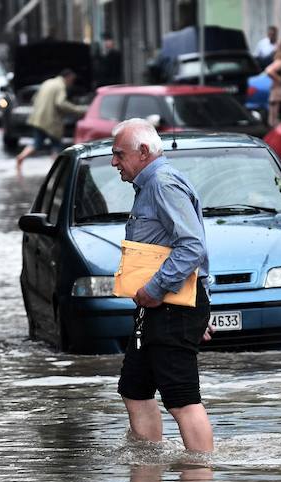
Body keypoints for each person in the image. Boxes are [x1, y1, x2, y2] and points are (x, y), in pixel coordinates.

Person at [111, 118, 214, 453]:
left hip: (167, 306)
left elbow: (192, 246)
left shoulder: (163, 184)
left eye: (119, 154)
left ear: (143, 152)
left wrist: (156, 291)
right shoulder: (151, 185)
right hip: (161, 308)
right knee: (135, 389)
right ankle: (148, 469)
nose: (114, 162)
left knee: (181, 398)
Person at [15, 68, 86, 171]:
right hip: (50, 121)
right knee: (57, 145)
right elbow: (60, 103)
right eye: (72, 79)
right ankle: (57, 168)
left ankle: (21, 156)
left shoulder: (48, 82)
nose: (72, 82)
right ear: (68, 77)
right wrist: (77, 110)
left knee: (37, 143)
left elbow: (34, 98)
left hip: (38, 118)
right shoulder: (60, 86)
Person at [264, 39, 281, 128]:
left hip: (279, 95)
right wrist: (279, 79)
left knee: (275, 120)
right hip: (278, 95)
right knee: (275, 121)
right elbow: (269, 70)